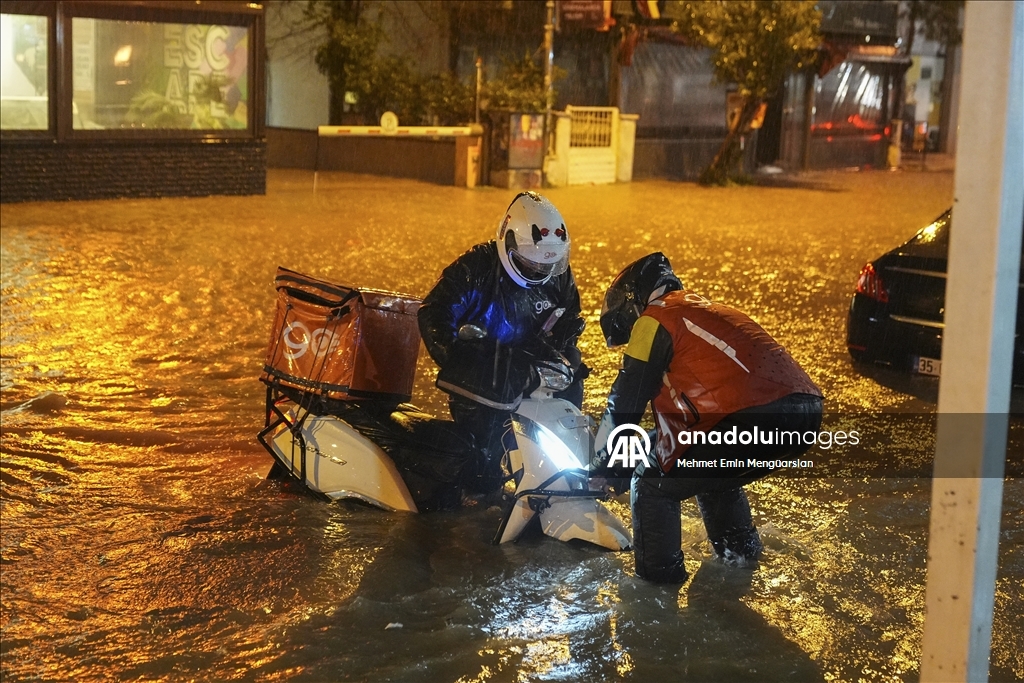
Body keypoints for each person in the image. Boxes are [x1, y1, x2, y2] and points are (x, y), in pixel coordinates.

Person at [593, 253, 823, 583]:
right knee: (711, 475)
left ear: (633, 301)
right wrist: (620, 462)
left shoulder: (654, 319)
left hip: (745, 417)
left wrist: (602, 467)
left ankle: (657, 590)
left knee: (651, 484)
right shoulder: (704, 310)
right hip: (804, 415)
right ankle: (741, 562)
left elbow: (625, 401)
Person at [418, 192, 587, 494]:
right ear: (507, 243)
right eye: (529, 264)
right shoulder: (475, 268)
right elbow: (434, 312)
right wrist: (461, 359)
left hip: (533, 375)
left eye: (545, 266)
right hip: (487, 381)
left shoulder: (557, 275)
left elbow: (569, 315)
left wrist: (565, 350)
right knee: (483, 476)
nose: (538, 271)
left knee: (562, 450)